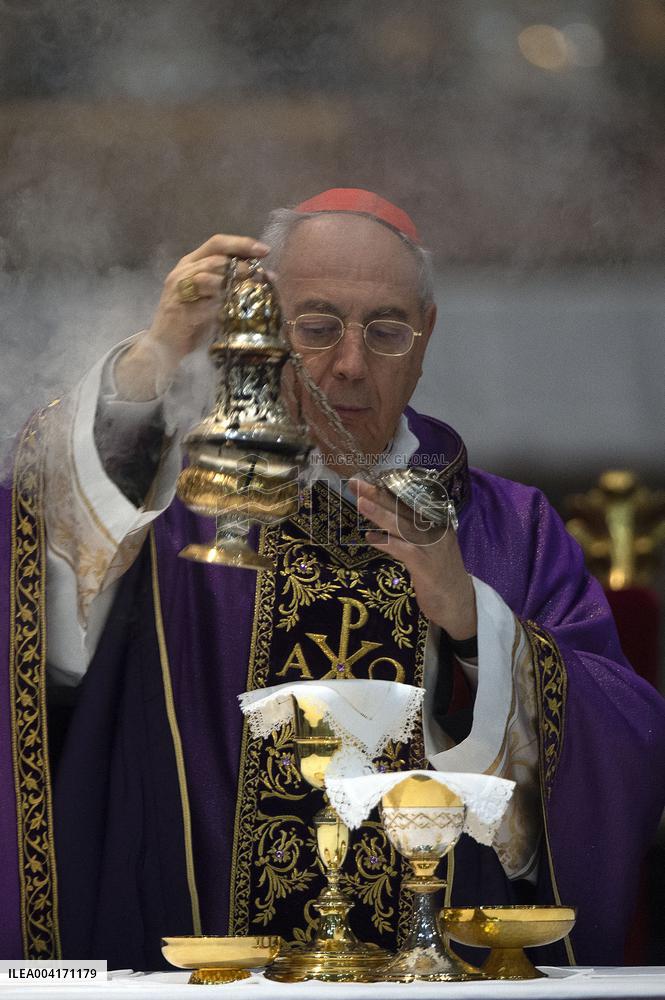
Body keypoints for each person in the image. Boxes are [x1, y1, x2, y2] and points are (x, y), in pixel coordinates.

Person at [1, 189, 664, 970]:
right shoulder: (176, 508)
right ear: (262, 333)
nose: (348, 363)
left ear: (426, 337)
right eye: (315, 327)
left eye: (385, 331)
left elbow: (622, 740)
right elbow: (43, 598)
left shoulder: (506, 528)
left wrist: (468, 617)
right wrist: (156, 354)